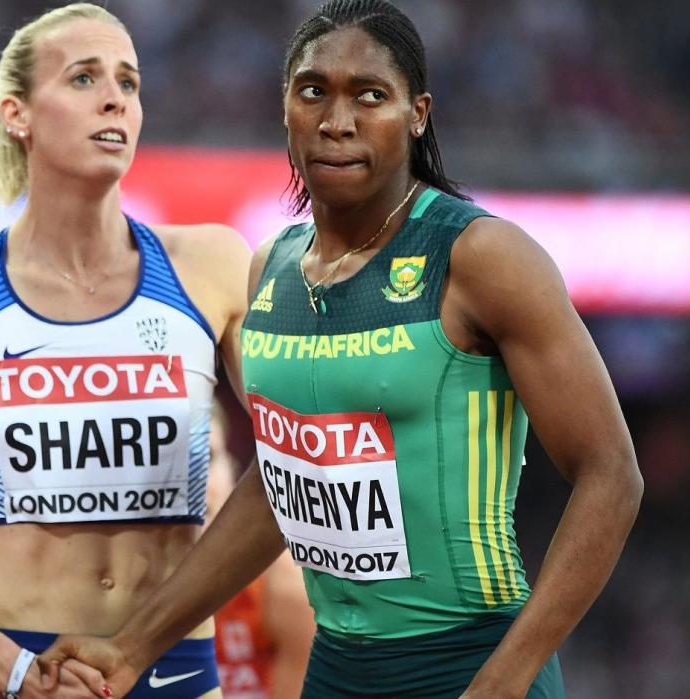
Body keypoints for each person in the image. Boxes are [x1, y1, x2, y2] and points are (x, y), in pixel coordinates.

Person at [37, 2, 644, 697]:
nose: (337, 120)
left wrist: (505, 678)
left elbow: (612, 474)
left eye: (369, 95)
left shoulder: (481, 256)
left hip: (469, 662)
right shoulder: (271, 269)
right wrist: (132, 646)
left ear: (418, 113)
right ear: (286, 108)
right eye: (313, 91)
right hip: (333, 671)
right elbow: (282, 483)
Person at [0, 4, 251, 698]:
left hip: (169, 657)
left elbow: (292, 467)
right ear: (18, 114)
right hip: (8, 663)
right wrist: (10, 667)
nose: (115, 98)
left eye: (129, 83)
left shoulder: (214, 265)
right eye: (83, 78)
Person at [205, 401, 314, 699]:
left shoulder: (284, 587)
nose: (197, 484)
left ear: (234, 468)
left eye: (209, 458)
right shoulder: (112, 589)